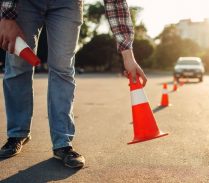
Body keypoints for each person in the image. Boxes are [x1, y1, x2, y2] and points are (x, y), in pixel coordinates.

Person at [0, 0, 147, 168]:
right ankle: (17, 134)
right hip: (24, 3)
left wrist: (128, 56)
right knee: (18, 65)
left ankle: (63, 142)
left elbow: (115, 3)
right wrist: (6, 16)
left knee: (63, 69)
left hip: (67, 4)